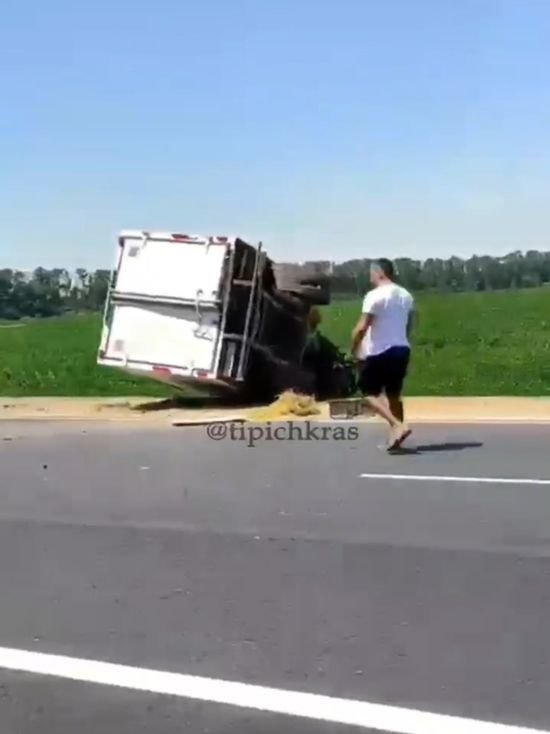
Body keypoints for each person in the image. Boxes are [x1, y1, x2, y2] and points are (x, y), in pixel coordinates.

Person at [350, 258, 415, 450]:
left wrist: (353, 349)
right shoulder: (406, 295)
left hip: (379, 350)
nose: (370, 277)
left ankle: (396, 425)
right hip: (402, 348)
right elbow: (409, 324)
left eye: (371, 273)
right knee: (394, 395)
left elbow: (362, 327)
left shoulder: (374, 296)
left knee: (368, 393)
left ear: (380, 273)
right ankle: (396, 440)